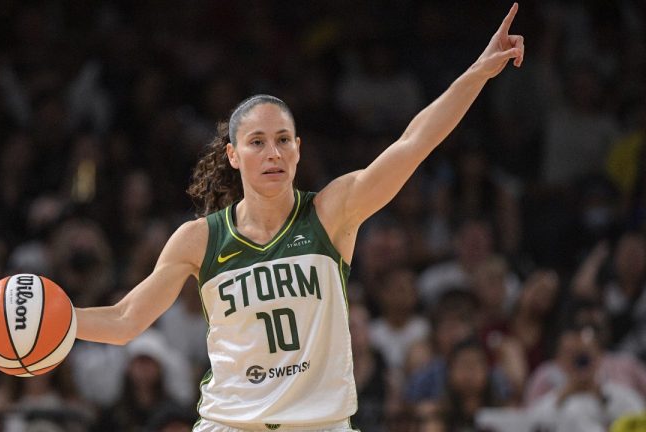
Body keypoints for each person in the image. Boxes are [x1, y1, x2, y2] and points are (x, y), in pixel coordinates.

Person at [75, 4, 525, 430]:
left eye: (283, 139)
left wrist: (478, 71)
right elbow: (125, 319)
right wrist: (58, 321)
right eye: (257, 142)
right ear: (233, 155)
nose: (272, 152)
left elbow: (414, 142)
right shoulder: (199, 239)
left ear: (297, 149)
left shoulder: (332, 212)